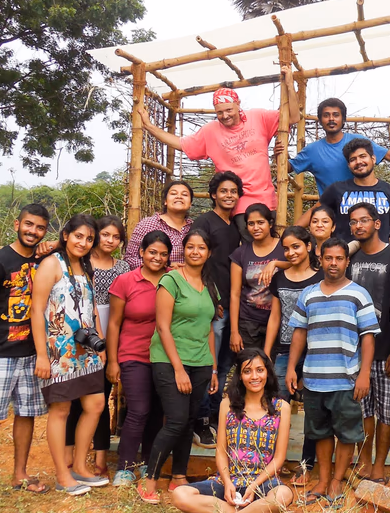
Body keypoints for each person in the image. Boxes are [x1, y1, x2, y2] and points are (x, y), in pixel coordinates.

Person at [138, 66, 300, 241]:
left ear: (238, 105)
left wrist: (290, 84)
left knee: (272, 247)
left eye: (229, 110)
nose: (225, 115)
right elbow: (181, 143)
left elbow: (293, 117)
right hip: (238, 203)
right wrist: (149, 127)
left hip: (266, 198)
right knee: (251, 248)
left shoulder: (259, 117)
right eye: (219, 112)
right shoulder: (210, 131)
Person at [286, 237, 379, 506]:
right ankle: (323, 480)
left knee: (347, 433)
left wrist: (364, 375)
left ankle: (337, 481)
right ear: (321, 259)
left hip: (346, 379)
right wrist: (292, 368)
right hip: (314, 379)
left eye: (339, 258)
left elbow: (368, 337)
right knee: (320, 433)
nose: (334, 263)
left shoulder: (359, 294)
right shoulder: (309, 294)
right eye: (329, 258)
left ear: (347, 261)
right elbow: (299, 333)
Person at [0, 204, 51, 505]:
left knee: (27, 413)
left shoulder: (43, 261)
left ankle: (20, 473)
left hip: (31, 352)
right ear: (17, 224)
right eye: (28, 225)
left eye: (40, 227)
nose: (33, 231)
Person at [138, 228, 219, 504]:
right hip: (169, 360)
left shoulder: (209, 283)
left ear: (209, 253)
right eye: (191, 247)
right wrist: (178, 368)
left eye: (202, 248)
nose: (196, 252)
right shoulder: (170, 279)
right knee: (174, 421)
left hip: (201, 362)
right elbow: (162, 326)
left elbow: (209, 328)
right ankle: (149, 480)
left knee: (187, 423)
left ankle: (179, 477)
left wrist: (214, 368)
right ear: (183, 250)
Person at [171, 349, 293, 513]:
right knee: (179, 494)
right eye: (247, 371)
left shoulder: (281, 407)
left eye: (260, 370)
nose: (254, 376)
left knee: (283, 495)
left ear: (267, 372)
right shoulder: (227, 405)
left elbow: (278, 458)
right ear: (240, 376)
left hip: (264, 483)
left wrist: (254, 485)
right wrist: (227, 482)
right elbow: (221, 451)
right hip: (229, 483)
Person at [32, 214, 108, 496]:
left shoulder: (85, 267)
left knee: (96, 404)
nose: (84, 243)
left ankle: (79, 465)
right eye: (78, 236)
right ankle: (62, 475)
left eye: (89, 239)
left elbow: (94, 309)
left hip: (86, 350)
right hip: (59, 350)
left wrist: (100, 346)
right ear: (66, 235)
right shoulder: (52, 263)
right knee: (61, 409)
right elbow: (37, 310)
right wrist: (42, 354)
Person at [106, 230, 173, 486]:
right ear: (141, 252)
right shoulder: (126, 281)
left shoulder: (172, 280)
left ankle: (147, 464)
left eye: (163, 254)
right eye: (152, 252)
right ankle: (125, 466)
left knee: (158, 411)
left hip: (164, 356)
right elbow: (114, 324)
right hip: (133, 354)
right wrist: (113, 361)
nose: (157, 257)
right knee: (138, 410)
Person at [65, 215, 129, 477]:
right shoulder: (80, 262)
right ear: (96, 235)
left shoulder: (122, 268)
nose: (110, 241)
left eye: (116, 237)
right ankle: (69, 457)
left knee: (100, 399)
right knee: (73, 400)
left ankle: (100, 456)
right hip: (79, 334)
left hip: (109, 337)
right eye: (105, 235)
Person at [347, 202, 390, 484]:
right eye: (353, 222)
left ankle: (380, 464)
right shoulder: (348, 259)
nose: (358, 226)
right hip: (354, 349)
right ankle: (364, 460)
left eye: (364, 220)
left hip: (387, 346)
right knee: (361, 408)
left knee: (387, 410)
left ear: (377, 223)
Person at [288, 97, 390, 196]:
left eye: (336, 115)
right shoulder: (312, 151)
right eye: (326, 115)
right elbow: (288, 168)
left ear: (343, 119)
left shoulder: (357, 142)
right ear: (320, 120)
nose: (331, 119)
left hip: (364, 209)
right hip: (332, 213)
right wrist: (280, 153)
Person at [192, 171, 243, 447]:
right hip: (213, 307)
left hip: (231, 306)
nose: (228, 195)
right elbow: (196, 261)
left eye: (233, 191)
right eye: (223, 191)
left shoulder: (236, 224)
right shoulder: (204, 222)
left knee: (224, 367)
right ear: (213, 194)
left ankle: (213, 416)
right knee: (207, 366)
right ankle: (199, 422)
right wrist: (213, 301)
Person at [297, 138, 390, 244]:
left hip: (379, 258)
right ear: (348, 165)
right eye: (353, 159)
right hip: (342, 257)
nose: (359, 162)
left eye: (363, 156)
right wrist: (289, 235)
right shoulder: (337, 189)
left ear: (373, 159)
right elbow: (313, 213)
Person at [264, 226, 323, 398]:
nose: (291, 252)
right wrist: (267, 352)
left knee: (314, 405)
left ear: (308, 246)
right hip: (284, 350)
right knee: (278, 402)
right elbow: (275, 316)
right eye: (286, 249)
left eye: (296, 247)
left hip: (315, 351)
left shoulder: (322, 278)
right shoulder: (279, 278)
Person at [229, 203, 286, 353]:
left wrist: (275, 263)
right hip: (248, 321)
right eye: (251, 224)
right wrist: (234, 332)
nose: (256, 228)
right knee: (249, 366)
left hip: (278, 320)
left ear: (270, 223)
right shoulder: (240, 253)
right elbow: (234, 294)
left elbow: (298, 265)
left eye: (260, 222)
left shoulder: (283, 248)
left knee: (273, 369)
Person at [124, 180, 193, 268]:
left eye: (184, 195)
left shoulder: (194, 227)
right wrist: (164, 266)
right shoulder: (148, 225)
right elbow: (129, 260)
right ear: (165, 201)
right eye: (173, 193)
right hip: (153, 280)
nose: (179, 197)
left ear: (190, 203)